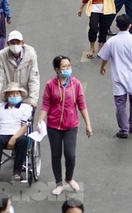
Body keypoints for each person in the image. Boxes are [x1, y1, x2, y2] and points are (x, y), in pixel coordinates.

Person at [38, 55, 92, 196]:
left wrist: (88, 124)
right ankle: (58, 183)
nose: (67, 69)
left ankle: (69, 178)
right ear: (57, 69)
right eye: (64, 66)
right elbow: (45, 104)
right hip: (53, 125)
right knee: (56, 154)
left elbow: (81, 104)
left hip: (71, 125)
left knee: (70, 154)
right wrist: (40, 121)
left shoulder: (76, 84)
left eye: (69, 66)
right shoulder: (50, 85)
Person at [98, 14, 132, 138]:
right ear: (130, 25)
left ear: (116, 26)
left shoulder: (112, 41)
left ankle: (124, 129)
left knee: (120, 104)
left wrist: (102, 68)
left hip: (118, 77)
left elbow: (104, 57)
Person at [0, 82, 32, 182]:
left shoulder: (26, 108)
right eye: (12, 94)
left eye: (17, 94)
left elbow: (24, 127)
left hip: (18, 134)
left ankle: (17, 173)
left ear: (20, 95)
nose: (14, 96)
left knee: (23, 141)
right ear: (7, 96)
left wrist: (14, 138)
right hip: (3, 133)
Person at [0, 30, 40, 108]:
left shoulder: (31, 54)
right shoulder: (2, 55)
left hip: (25, 94)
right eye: (12, 43)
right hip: (11, 93)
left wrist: (33, 99)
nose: (15, 45)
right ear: (8, 44)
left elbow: (34, 77)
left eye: (18, 42)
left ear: (22, 43)